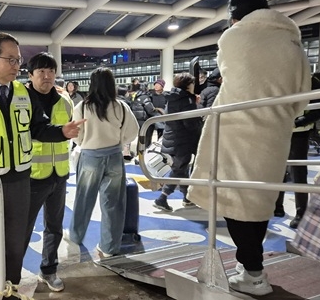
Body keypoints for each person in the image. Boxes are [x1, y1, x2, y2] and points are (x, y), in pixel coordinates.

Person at [188, 0, 311, 296]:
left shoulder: (233, 38)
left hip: (236, 130)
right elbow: (302, 94)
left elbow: (230, 73)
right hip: (276, 134)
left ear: (235, 17)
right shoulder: (292, 43)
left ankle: (253, 274)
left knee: (234, 201)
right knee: (260, 201)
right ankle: (250, 268)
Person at [0, 32, 84, 300]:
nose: (16, 66)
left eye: (18, 60)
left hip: (20, 182)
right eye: (10, 59)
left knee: (15, 244)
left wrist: (61, 132)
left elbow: (38, 128)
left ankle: (9, 294)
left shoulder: (22, 91)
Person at [66, 67, 139, 257]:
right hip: (114, 157)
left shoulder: (82, 107)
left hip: (90, 156)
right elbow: (132, 131)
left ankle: (75, 235)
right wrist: (119, 141)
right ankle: (109, 247)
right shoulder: (121, 106)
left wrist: (86, 142)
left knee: (83, 199)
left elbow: (76, 135)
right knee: (114, 204)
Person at [23, 52, 73, 292]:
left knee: (55, 226)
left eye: (51, 71)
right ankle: (10, 273)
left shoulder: (65, 102)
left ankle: (49, 270)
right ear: (30, 75)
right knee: (22, 228)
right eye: (41, 71)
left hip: (60, 173)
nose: (47, 76)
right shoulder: (20, 100)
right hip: (31, 176)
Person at [274, 74, 320, 229]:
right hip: (279, 129)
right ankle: (277, 206)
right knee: (277, 169)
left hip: (300, 130)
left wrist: (299, 122)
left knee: (298, 171)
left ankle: (301, 212)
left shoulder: (309, 79)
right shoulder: (278, 76)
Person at [152, 73, 202, 212]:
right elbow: (190, 123)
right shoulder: (186, 100)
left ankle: (187, 197)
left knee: (182, 168)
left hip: (172, 137)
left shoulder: (173, 97)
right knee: (178, 169)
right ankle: (162, 198)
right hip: (182, 140)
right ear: (188, 85)